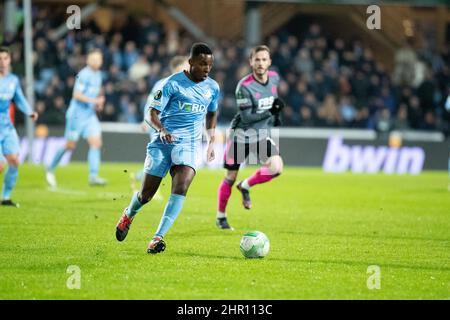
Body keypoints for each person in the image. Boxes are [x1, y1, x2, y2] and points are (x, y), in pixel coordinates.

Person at [115, 43, 220, 254]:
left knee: (181, 187)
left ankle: (157, 238)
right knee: (146, 195)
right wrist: (161, 129)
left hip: (189, 145)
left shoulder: (213, 88)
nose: (206, 69)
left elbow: (211, 113)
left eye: (209, 65)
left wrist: (210, 140)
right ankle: (129, 213)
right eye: (202, 64)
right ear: (190, 63)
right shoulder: (171, 84)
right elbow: (151, 113)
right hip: (163, 143)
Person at [216, 45, 284, 230]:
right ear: (251, 62)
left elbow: (273, 98)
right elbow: (247, 117)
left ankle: (245, 185)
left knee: (276, 167)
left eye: (264, 59)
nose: (261, 63)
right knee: (230, 177)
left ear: (269, 62)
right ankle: (221, 216)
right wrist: (271, 111)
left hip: (261, 135)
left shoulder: (275, 78)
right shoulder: (243, 87)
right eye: (257, 59)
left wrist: (275, 117)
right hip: (241, 135)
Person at [45, 48, 106, 187]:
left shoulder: (99, 75)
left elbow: (95, 94)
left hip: (89, 116)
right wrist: (94, 101)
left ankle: (93, 175)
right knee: (70, 146)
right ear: (88, 60)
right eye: (94, 59)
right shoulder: (83, 74)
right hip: (76, 116)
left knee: (96, 143)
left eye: (99, 59)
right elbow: (77, 95)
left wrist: (98, 104)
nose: (97, 61)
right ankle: (50, 168)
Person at [131, 55, 190, 193]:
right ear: (177, 69)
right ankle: (147, 189)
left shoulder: (186, 85)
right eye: (185, 67)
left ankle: (140, 177)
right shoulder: (163, 84)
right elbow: (151, 104)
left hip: (173, 128)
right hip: (159, 126)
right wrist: (146, 121)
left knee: (166, 160)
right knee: (159, 159)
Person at [0, 46, 39, 207]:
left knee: (15, 161)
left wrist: (29, 111)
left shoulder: (13, 80)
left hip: (6, 126)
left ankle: (6, 197)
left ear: (9, 60)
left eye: (5, 58)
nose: (2, 62)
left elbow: (19, 98)